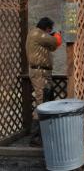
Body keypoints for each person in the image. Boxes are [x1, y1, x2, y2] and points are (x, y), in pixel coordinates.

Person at [26, 17, 62, 146]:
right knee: (42, 103)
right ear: (46, 28)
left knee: (47, 101)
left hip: (42, 72)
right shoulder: (38, 33)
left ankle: (44, 134)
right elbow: (55, 42)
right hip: (40, 72)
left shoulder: (36, 33)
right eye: (50, 29)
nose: (50, 31)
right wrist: (57, 34)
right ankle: (35, 137)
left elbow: (52, 47)